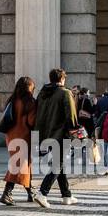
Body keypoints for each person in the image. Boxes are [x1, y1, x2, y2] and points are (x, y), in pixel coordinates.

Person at [0, 77, 48, 207]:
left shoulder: (12, 100)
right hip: (24, 136)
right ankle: (7, 193)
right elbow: (32, 122)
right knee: (19, 165)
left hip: (11, 135)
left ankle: (30, 191)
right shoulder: (30, 102)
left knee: (24, 164)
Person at [35, 68, 79, 205]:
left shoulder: (42, 93)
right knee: (58, 163)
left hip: (45, 133)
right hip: (60, 134)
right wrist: (75, 132)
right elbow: (71, 116)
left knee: (60, 164)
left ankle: (66, 195)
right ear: (62, 79)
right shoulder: (65, 93)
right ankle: (42, 192)